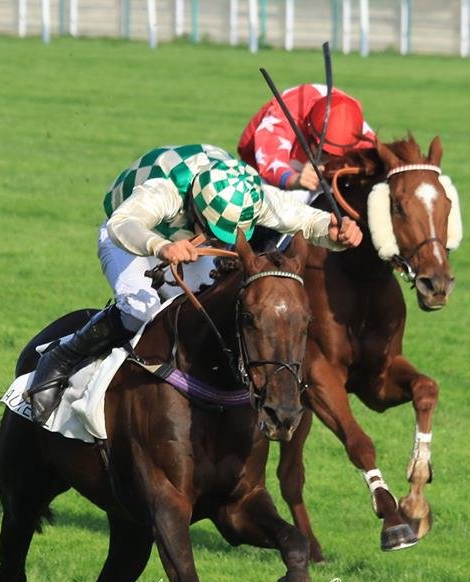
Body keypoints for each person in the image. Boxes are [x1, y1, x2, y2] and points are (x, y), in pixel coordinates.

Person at [25, 143, 363, 425]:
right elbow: (122, 223)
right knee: (140, 309)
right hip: (132, 236)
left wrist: (334, 232)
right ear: (197, 208)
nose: (221, 240)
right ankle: (63, 356)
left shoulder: (251, 194)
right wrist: (162, 246)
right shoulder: (167, 191)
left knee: (210, 304)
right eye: (215, 230)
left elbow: (305, 219)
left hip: (188, 239)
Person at [238, 84, 376, 197]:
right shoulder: (288, 109)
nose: (328, 158)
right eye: (324, 151)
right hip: (259, 169)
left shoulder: (360, 132)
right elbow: (270, 159)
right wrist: (295, 180)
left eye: (336, 155)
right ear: (309, 128)